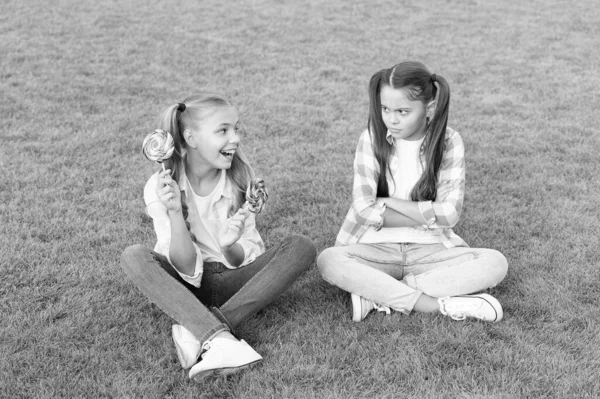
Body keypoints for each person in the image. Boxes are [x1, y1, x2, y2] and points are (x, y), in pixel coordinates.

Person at [121, 93, 316, 381]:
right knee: (133, 256)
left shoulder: (241, 182)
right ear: (191, 137)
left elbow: (243, 259)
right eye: (223, 130)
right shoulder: (160, 186)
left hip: (236, 282)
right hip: (185, 284)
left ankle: (199, 330)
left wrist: (229, 245)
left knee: (302, 247)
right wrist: (175, 211)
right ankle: (221, 339)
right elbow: (186, 269)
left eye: (236, 128)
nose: (235, 138)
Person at [317, 61, 508, 323]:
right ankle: (431, 304)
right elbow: (362, 209)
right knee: (329, 260)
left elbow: (450, 214)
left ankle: (377, 293)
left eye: (403, 111)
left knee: (495, 262)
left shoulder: (449, 142)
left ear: (428, 108)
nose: (391, 119)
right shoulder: (371, 138)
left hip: (430, 251)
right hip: (375, 248)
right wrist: (427, 215)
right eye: (385, 108)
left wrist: (386, 203)